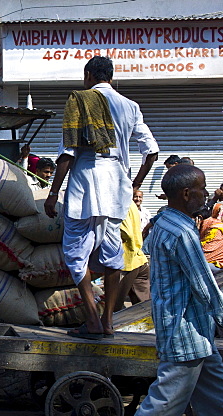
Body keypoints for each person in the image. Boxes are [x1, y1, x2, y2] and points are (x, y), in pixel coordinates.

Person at [44, 56, 159, 339]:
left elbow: (67, 152)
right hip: (116, 183)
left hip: (85, 179)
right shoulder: (130, 106)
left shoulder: (79, 100)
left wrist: (53, 192)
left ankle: (93, 321)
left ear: (88, 76)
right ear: (110, 76)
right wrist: (135, 184)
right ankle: (108, 322)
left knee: (75, 254)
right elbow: (152, 151)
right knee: (112, 255)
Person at [126, 164, 223, 416]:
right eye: (201, 190)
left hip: (196, 335)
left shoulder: (164, 221)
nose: (207, 194)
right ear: (187, 194)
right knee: (160, 411)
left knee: (222, 401)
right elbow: (205, 287)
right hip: (184, 335)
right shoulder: (182, 233)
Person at [118, 201, 150, 307]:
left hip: (128, 262)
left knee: (114, 306)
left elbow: (126, 233)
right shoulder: (130, 204)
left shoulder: (120, 204)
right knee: (143, 306)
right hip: (138, 259)